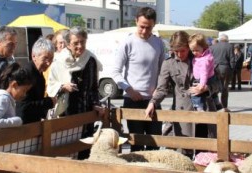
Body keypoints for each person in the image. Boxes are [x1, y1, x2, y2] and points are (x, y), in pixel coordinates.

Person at [145, 31, 210, 157]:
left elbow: (218, 84)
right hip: (181, 112)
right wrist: (153, 102)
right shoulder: (168, 63)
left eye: (183, 51)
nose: (180, 54)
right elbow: (161, 88)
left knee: (204, 154)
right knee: (182, 153)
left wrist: (206, 87)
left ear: (188, 47)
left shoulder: (201, 58)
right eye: (176, 51)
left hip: (203, 110)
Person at [109, 7, 165, 152]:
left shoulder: (159, 43)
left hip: (153, 101)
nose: (145, 31)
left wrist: (158, 93)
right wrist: (129, 89)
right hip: (132, 100)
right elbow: (115, 71)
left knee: (155, 144)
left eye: (149, 27)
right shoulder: (127, 43)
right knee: (136, 144)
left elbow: (162, 72)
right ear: (136, 22)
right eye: (142, 27)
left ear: (154, 25)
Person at [47, 27, 105, 159]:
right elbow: (51, 85)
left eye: (83, 42)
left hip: (86, 113)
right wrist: (62, 86)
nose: (80, 46)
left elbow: (94, 88)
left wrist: (95, 104)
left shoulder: (90, 59)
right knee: (67, 151)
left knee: (85, 150)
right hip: (67, 114)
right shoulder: (59, 61)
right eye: (76, 43)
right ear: (68, 44)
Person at [16, 38, 55, 124]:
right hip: (23, 126)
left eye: (51, 59)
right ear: (34, 56)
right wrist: (49, 102)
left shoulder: (39, 73)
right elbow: (24, 106)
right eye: (45, 58)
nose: (48, 63)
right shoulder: (27, 73)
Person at [0, 63, 33, 131]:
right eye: (24, 90)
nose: (24, 94)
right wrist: (17, 121)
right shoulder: (3, 99)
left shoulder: (8, 99)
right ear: (14, 85)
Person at [189, 34, 216, 112]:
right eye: (192, 50)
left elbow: (204, 73)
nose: (194, 53)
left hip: (203, 79)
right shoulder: (205, 55)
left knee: (196, 93)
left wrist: (202, 85)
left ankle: (199, 107)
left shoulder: (204, 60)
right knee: (213, 95)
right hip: (209, 77)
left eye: (196, 50)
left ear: (203, 47)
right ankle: (217, 103)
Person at [210, 33, 233, 112]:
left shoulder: (213, 47)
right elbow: (232, 59)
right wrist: (232, 70)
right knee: (225, 89)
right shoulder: (229, 46)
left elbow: (210, 59)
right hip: (226, 69)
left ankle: (215, 106)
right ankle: (224, 107)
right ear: (227, 39)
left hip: (214, 69)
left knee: (214, 87)